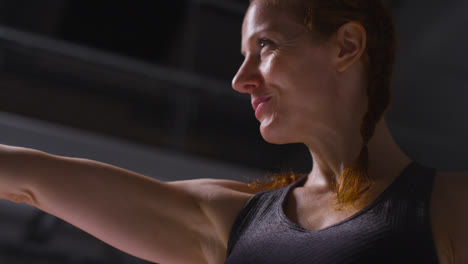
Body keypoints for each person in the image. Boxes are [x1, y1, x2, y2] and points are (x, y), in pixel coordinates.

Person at [0, 0, 467, 263]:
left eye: (264, 46)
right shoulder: (233, 222)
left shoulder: (450, 207)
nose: (240, 79)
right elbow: (31, 181)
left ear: (346, 46)